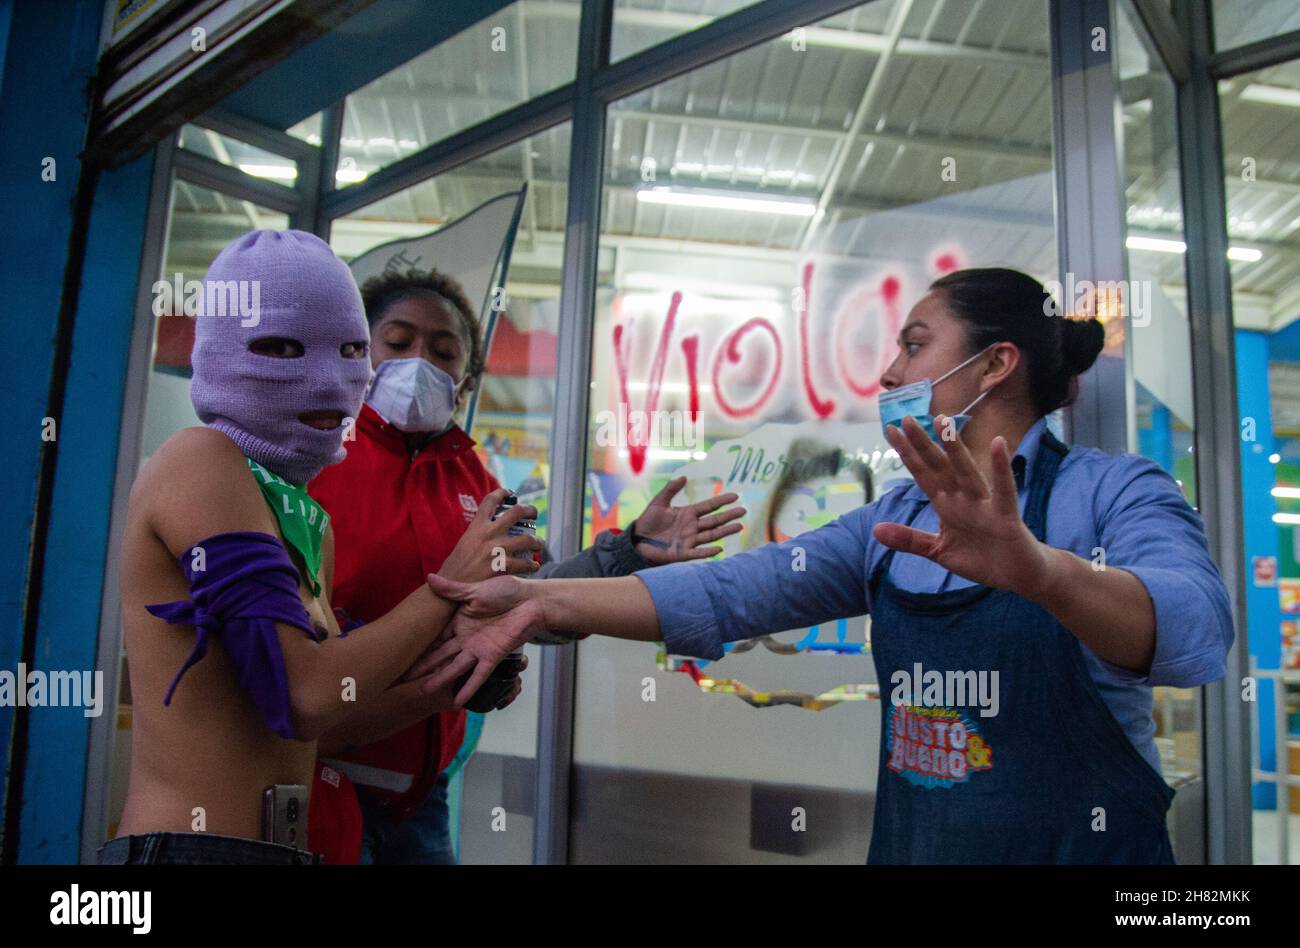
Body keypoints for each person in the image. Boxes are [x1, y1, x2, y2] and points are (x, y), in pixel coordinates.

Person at [419, 267, 1235, 865]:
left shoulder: (1114, 491)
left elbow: (1197, 633)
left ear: (995, 365)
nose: (887, 375)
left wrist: (1042, 573)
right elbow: (730, 591)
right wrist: (538, 598)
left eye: (915, 346)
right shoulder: (896, 518)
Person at [306, 268, 746, 864]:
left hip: (421, 798)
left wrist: (630, 548)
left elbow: (528, 603)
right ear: (360, 350)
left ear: (465, 377)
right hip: (319, 779)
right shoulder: (317, 460)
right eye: (398, 341)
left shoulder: (478, 481)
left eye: (443, 351)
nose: (419, 362)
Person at [104, 230, 476, 864]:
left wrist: (449, 686)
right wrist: (450, 589)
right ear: (220, 354)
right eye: (279, 348)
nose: (327, 379)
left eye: (349, 350)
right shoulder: (201, 462)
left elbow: (327, 717)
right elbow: (301, 695)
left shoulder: (308, 521)